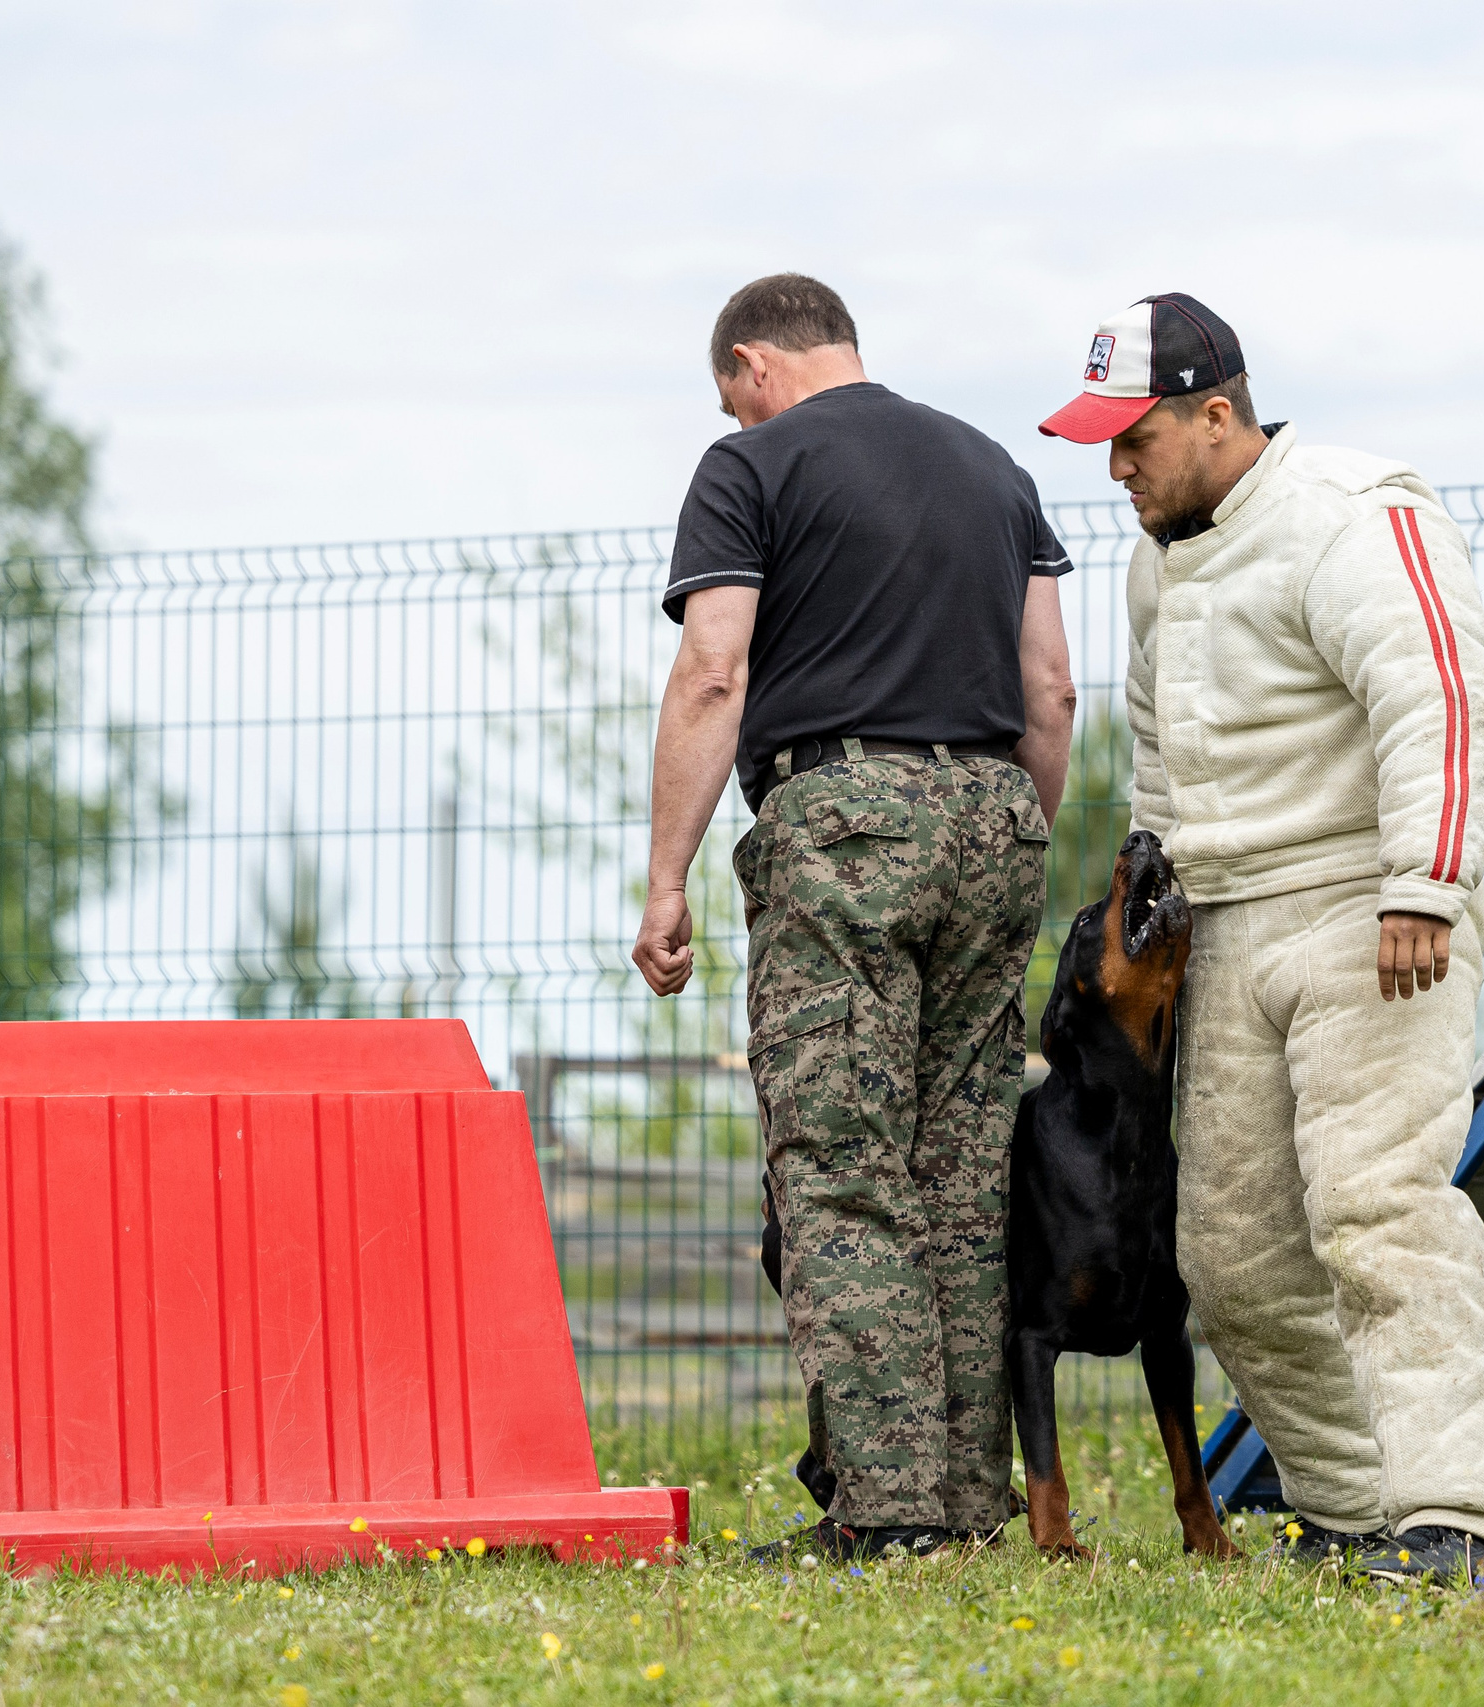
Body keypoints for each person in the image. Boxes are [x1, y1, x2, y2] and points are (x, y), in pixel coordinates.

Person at [1038, 293, 1484, 1586]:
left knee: (1380, 1215)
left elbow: (1442, 696)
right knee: (1232, 1260)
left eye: (1133, 437)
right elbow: (1155, 761)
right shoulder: (1155, 563)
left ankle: (1458, 1525)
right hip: (1226, 928)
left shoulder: (1356, 515)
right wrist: (1151, 910)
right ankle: (1359, 1518)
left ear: (1216, 411)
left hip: (1370, 911)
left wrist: (1424, 882)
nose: (1116, 466)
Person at [634, 274, 1077, 1562]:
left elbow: (716, 670)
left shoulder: (749, 464)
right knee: (963, 1174)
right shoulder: (993, 470)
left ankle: (888, 1515)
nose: (729, 408)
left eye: (729, 389)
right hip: (999, 812)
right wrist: (1018, 835)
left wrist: (667, 878)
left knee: (840, 1164)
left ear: (754, 362)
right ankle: (963, 1499)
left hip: (843, 819)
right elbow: (1049, 689)